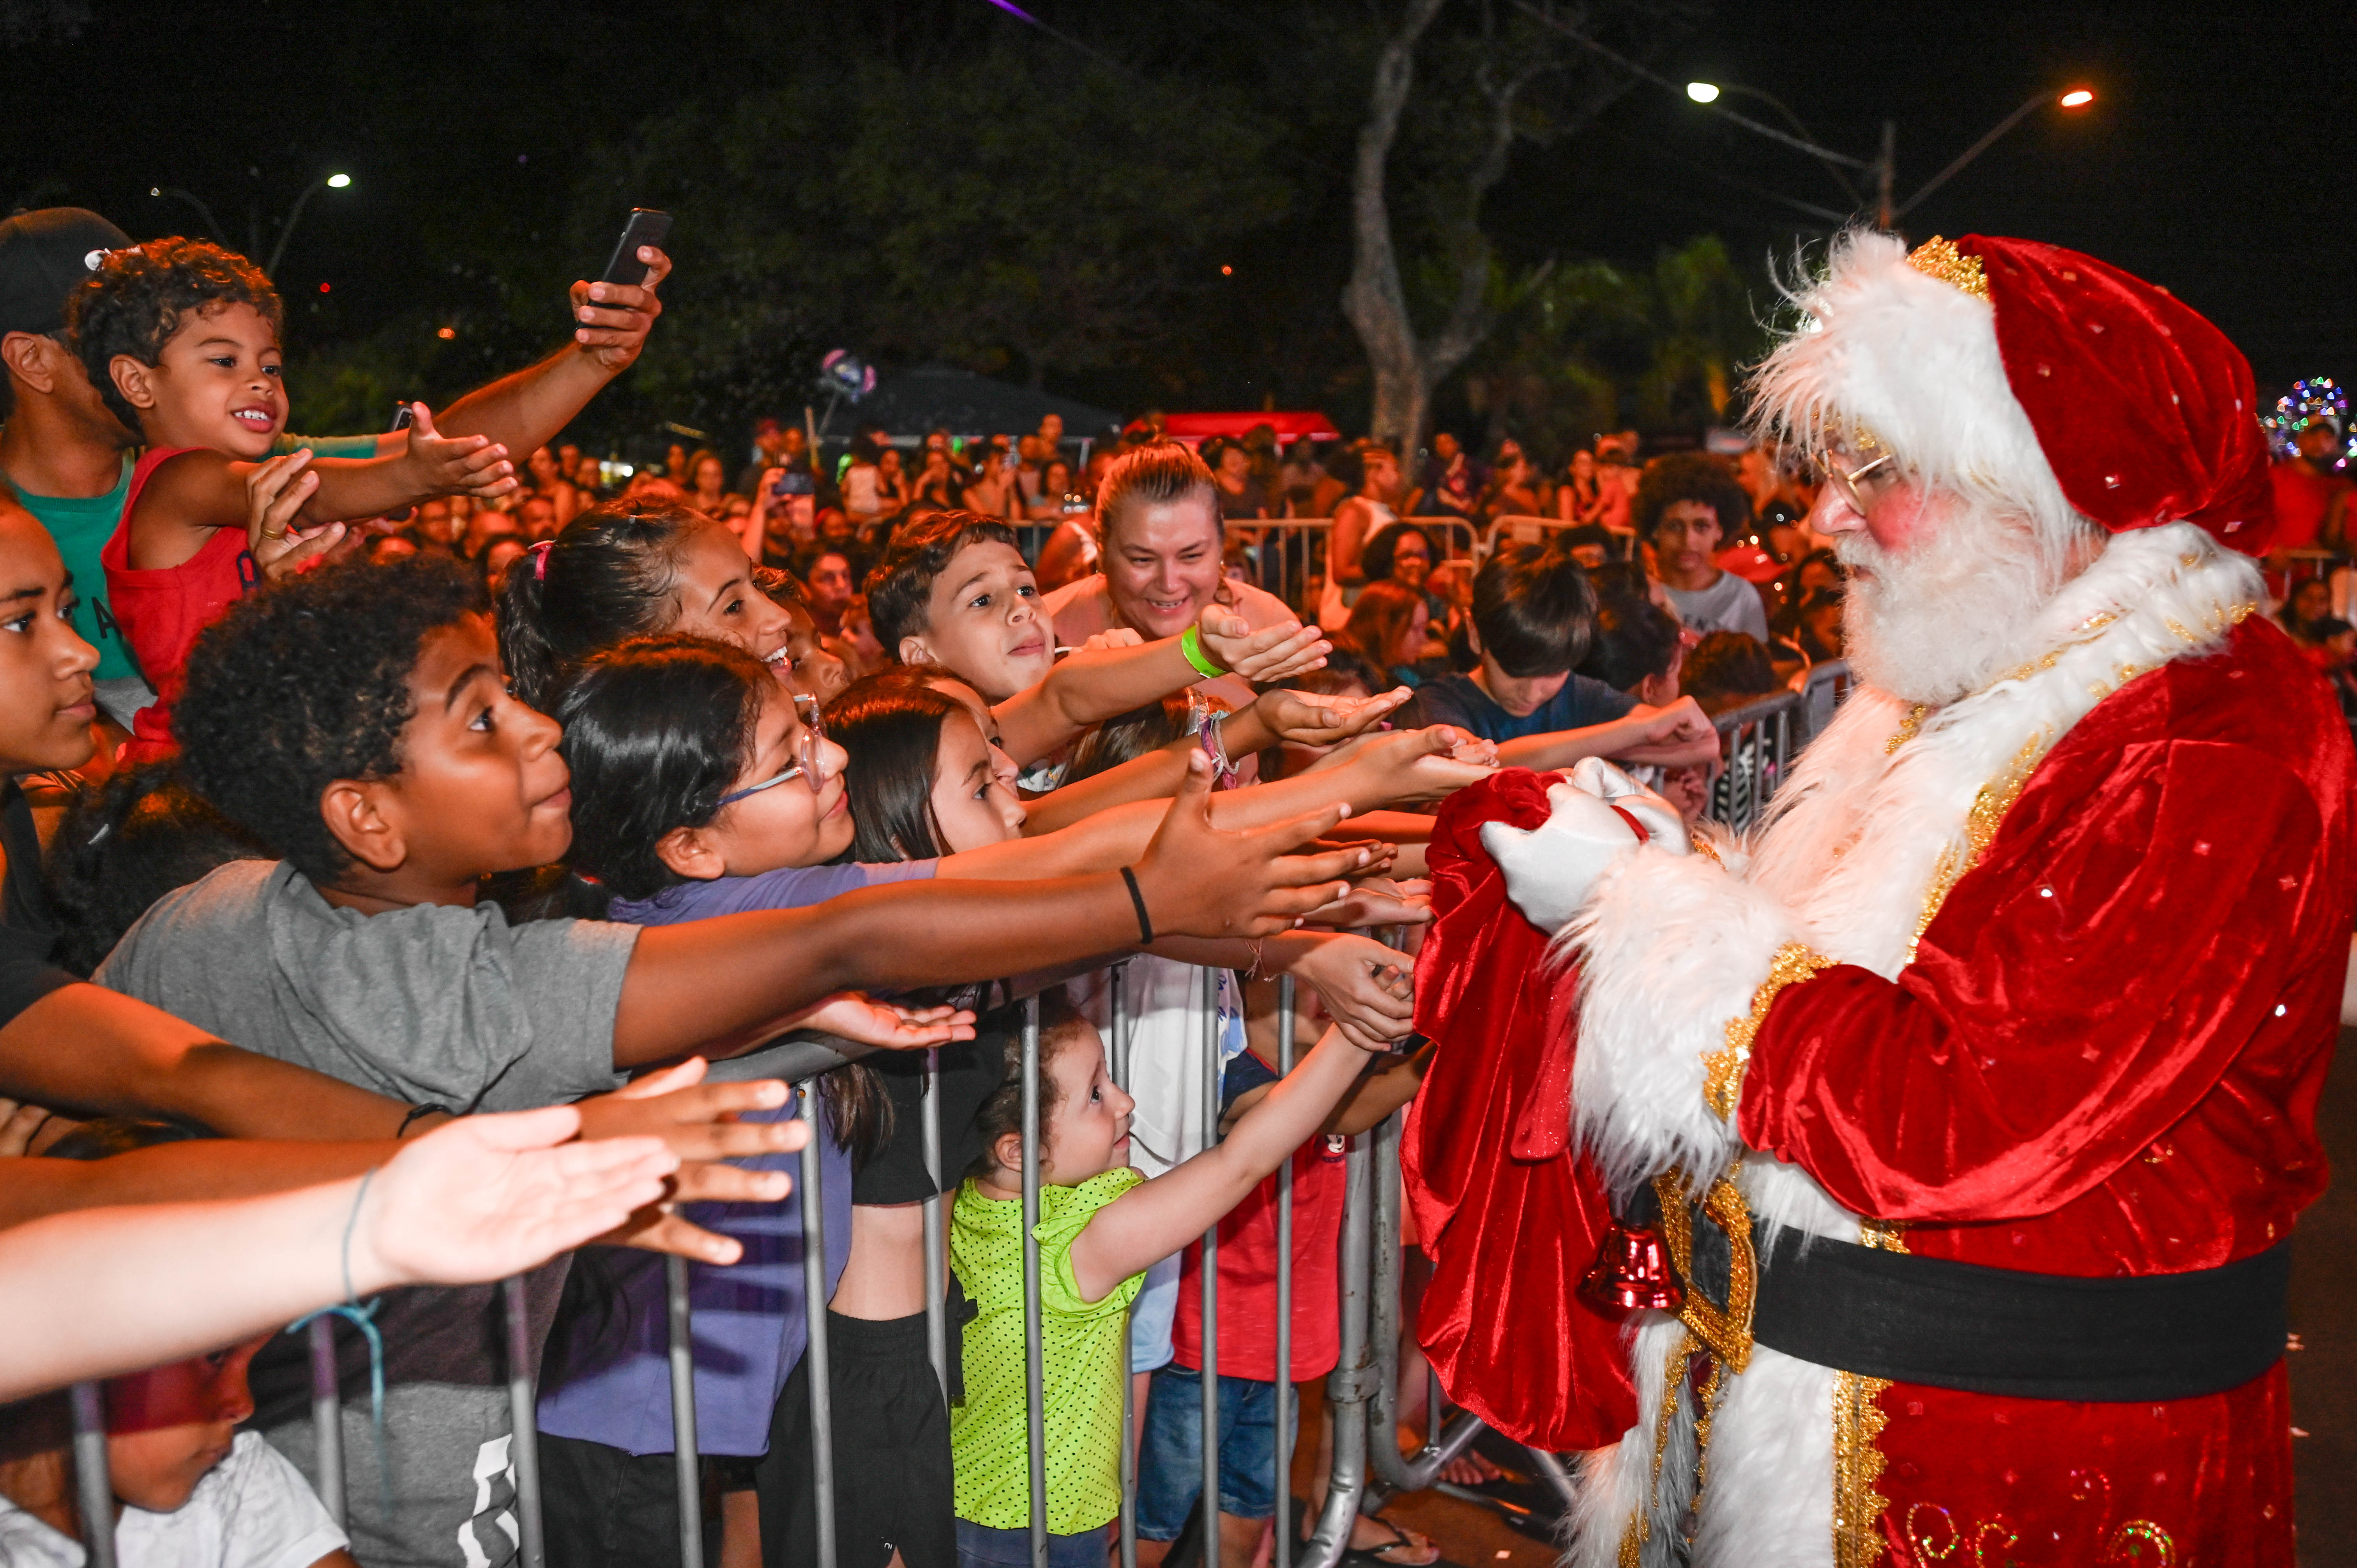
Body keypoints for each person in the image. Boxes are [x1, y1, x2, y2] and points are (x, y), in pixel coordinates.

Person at [94, 553, 1367, 1564]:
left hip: (461, 1476)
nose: (537, 733)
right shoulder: (496, 972)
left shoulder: (212, 923)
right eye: (483, 719)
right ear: (363, 815)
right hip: (361, 1486)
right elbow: (859, 923)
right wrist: (1160, 895)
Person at [1421, 230, 2352, 1564]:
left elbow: (1956, 1110)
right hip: (1802, 1400)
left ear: (2039, 479)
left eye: (1875, 472)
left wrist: (1638, 905)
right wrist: (1666, 872)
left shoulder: (2203, 738)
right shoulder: (1978, 673)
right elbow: (1852, 975)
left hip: (2010, 1461)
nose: (1823, 518)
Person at [0, 207, 667, 736]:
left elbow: (445, 448)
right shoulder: (161, 487)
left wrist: (594, 359)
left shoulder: (242, 456)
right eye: (104, 331)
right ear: (32, 360)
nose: (135, 341)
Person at [949, 994, 1397, 1568]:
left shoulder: (966, 1204)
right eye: (1095, 1094)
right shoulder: (1079, 1243)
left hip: (969, 1506)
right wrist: (1356, 1033)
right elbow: (1243, 1160)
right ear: (1019, 1150)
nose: (1125, 1101)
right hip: (1039, 1532)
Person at [1399, 542, 1716, 772]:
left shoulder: (1580, 695)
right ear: (1474, 632)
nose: (1533, 691)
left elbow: (1704, 745)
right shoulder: (1437, 702)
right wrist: (1636, 731)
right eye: (1515, 670)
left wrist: (1640, 732)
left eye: (1554, 671)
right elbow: (1482, 765)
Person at [1044, 442, 1301, 710]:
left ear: (1221, 541)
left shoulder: (1269, 625)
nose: (1169, 583)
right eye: (1142, 560)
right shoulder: (1048, 632)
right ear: (1102, 547)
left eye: (1191, 556)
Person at [1629, 451, 1769, 642]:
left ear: (1720, 530)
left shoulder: (1741, 597)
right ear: (1654, 530)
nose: (1688, 541)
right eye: (1674, 527)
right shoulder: (1637, 595)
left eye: (1701, 527)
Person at [1555, 448, 1602, 525]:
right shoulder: (1567, 492)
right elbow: (1567, 524)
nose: (1589, 466)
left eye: (1591, 462)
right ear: (1573, 468)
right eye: (1583, 462)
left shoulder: (1596, 493)